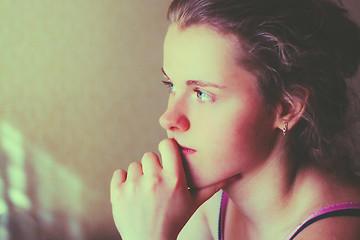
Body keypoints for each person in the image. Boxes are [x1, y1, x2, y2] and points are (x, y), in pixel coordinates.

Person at [110, 0, 360, 239]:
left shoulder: (333, 234)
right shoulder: (214, 199)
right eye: (171, 85)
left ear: (287, 108)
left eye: (202, 94)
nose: (168, 119)